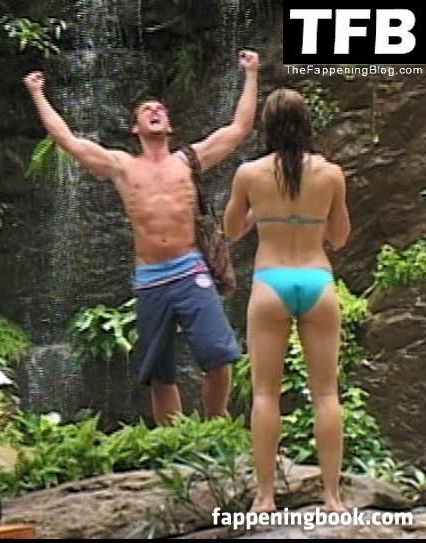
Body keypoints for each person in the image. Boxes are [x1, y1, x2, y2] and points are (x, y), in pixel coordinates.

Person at [24, 50, 260, 425]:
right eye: (146, 109)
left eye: (160, 109)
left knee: (219, 356)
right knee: (158, 372)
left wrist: (252, 74)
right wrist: (37, 93)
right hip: (150, 279)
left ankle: (216, 425)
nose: (155, 110)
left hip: (191, 269)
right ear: (135, 128)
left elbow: (239, 128)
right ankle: (173, 437)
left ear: (170, 126)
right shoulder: (122, 166)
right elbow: (68, 140)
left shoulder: (189, 160)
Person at [223, 88, 351, 513]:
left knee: (265, 394)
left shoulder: (249, 173)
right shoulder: (331, 173)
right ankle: (332, 497)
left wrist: (262, 212)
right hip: (316, 279)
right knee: (326, 394)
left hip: (270, 282)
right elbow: (340, 237)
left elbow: (231, 230)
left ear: (267, 127)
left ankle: (264, 497)